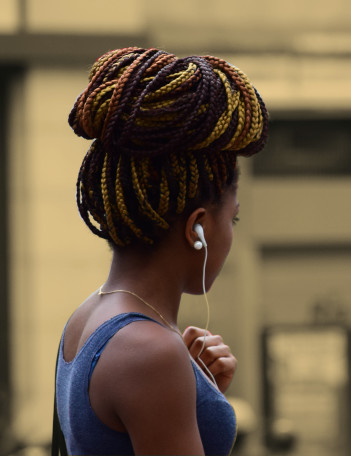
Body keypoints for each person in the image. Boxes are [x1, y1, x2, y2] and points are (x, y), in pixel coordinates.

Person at [55, 46, 269, 455]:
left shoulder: (85, 320)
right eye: (233, 219)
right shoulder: (150, 351)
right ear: (198, 228)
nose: (232, 234)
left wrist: (197, 394)